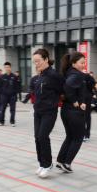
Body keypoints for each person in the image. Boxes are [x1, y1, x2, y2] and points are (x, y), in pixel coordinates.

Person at [32, 48, 63, 178]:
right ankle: (41, 163)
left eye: (38, 61)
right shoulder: (40, 75)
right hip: (38, 112)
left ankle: (48, 164)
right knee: (37, 137)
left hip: (49, 112)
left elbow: (63, 90)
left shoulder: (54, 75)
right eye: (34, 62)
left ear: (46, 59)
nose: (36, 64)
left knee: (43, 136)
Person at [56, 52, 88, 173]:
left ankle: (60, 161)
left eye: (84, 63)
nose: (83, 65)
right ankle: (67, 163)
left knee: (70, 136)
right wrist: (75, 101)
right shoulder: (77, 74)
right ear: (74, 63)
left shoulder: (67, 73)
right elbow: (68, 86)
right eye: (81, 63)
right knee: (78, 138)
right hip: (74, 112)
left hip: (65, 110)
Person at [0, 62, 21, 126]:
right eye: (5, 67)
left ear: (10, 68)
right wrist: (2, 93)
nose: (7, 68)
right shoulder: (2, 77)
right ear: (4, 68)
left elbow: (17, 86)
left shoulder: (14, 77)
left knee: (12, 109)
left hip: (12, 96)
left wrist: (15, 94)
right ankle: (1, 121)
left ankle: (12, 122)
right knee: (2, 109)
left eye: (8, 67)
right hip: (4, 96)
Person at [83, 71, 95, 141]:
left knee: (86, 117)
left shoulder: (88, 78)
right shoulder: (77, 76)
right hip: (81, 99)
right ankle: (84, 134)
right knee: (83, 117)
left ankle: (86, 134)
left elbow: (91, 87)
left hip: (86, 99)